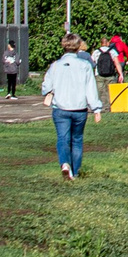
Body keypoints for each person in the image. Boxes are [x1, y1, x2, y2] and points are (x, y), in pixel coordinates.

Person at [39, 35, 105, 180]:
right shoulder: (85, 66)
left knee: (62, 138)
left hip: (61, 109)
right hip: (79, 109)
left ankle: (64, 164)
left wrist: (50, 91)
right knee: (77, 140)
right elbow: (91, 89)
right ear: (78, 46)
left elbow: (46, 87)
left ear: (64, 46)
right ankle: (74, 172)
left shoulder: (55, 65)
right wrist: (96, 109)